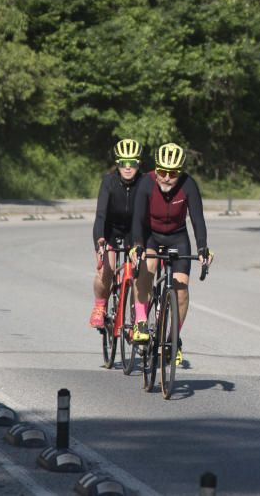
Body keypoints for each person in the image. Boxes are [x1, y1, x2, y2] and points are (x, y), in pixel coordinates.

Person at [129, 143, 212, 366]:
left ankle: (173, 339)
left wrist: (202, 248)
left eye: (172, 173)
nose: (166, 178)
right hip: (151, 236)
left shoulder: (188, 185)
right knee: (149, 267)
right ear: (156, 170)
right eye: (162, 172)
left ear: (180, 172)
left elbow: (197, 219)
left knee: (182, 289)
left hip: (177, 237)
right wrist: (137, 245)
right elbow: (137, 218)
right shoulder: (146, 183)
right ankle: (141, 320)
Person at [89, 139, 143, 329]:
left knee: (139, 273)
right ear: (117, 165)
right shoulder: (109, 182)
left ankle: (138, 317)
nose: (128, 168)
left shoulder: (144, 183)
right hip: (109, 230)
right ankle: (100, 306)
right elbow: (101, 214)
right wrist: (100, 240)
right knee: (107, 270)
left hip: (133, 230)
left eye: (132, 164)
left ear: (139, 164)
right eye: (123, 164)